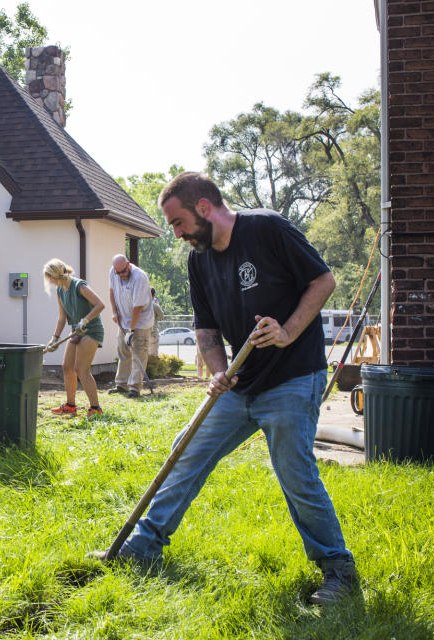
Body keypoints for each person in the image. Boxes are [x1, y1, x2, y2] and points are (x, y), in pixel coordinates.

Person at [89, 172, 357, 606]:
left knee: (294, 471)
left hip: (293, 378)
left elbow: (323, 280)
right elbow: (206, 329)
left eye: (177, 223)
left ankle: (338, 571)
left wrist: (287, 330)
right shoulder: (200, 261)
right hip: (240, 384)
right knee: (185, 452)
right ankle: (140, 551)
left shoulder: (267, 229)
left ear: (204, 208)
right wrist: (218, 371)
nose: (176, 234)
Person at [43, 258, 106, 417]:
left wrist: (85, 320)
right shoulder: (60, 290)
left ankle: (95, 409)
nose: (49, 281)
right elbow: (62, 318)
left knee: (81, 369)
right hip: (76, 331)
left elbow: (100, 305)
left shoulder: (79, 286)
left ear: (56, 275)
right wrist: (55, 339)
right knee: (67, 366)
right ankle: (70, 406)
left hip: (91, 330)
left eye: (50, 277)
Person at [107, 254, 154, 398]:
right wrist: (115, 312)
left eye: (123, 271)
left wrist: (131, 330)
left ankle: (134, 388)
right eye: (118, 272)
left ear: (128, 264)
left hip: (140, 323)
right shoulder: (113, 272)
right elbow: (112, 292)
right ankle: (121, 385)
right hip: (123, 322)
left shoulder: (139, 277)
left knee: (138, 354)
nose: (121, 274)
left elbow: (137, 307)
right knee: (123, 352)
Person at [150, 289, 163, 358]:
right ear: (153, 295)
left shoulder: (139, 305)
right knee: (154, 357)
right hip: (153, 334)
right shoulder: (155, 306)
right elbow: (162, 317)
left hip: (142, 335)